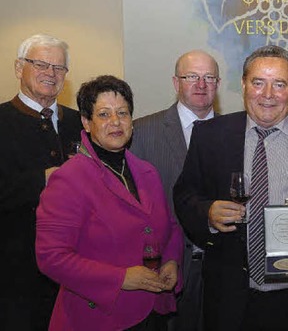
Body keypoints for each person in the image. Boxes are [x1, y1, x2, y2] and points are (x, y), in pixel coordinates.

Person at [173, 45, 288, 330]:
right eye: (258, 82)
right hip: (232, 298)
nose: (268, 95)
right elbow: (185, 195)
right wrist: (208, 213)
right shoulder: (210, 136)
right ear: (243, 85)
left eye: (279, 84)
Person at [35, 75, 183, 330]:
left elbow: (169, 226)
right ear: (86, 122)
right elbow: (51, 257)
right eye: (103, 114)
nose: (115, 122)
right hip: (98, 318)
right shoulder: (69, 179)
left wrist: (171, 260)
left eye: (122, 113)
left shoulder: (147, 172)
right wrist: (121, 278)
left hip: (150, 312)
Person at [130, 49, 219, 331]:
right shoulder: (141, 132)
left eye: (209, 77)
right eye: (191, 76)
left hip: (225, 267)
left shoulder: (237, 131)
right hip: (166, 269)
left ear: (218, 84)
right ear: (175, 82)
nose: (201, 84)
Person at [0, 33, 83, 330]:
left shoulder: (82, 122)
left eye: (59, 68)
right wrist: (43, 179)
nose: (50, 73)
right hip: (16, 276)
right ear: (18, 68)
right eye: (40, 64)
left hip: (76, 273)